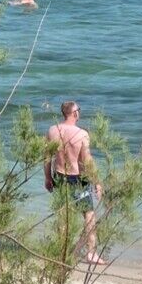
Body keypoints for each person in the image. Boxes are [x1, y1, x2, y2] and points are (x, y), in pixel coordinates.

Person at [43, 101, 101, 264]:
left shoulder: (53, 130)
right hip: (78, 179)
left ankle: (62, 252)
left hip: (60, 176)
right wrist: (97, 182)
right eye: (79, 110)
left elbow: (47, 157)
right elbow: (87, 161)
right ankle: (91, 253)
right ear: (75, 113)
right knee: (89, 215)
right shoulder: (82, 134)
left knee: (63, 216)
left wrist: (47, 177)